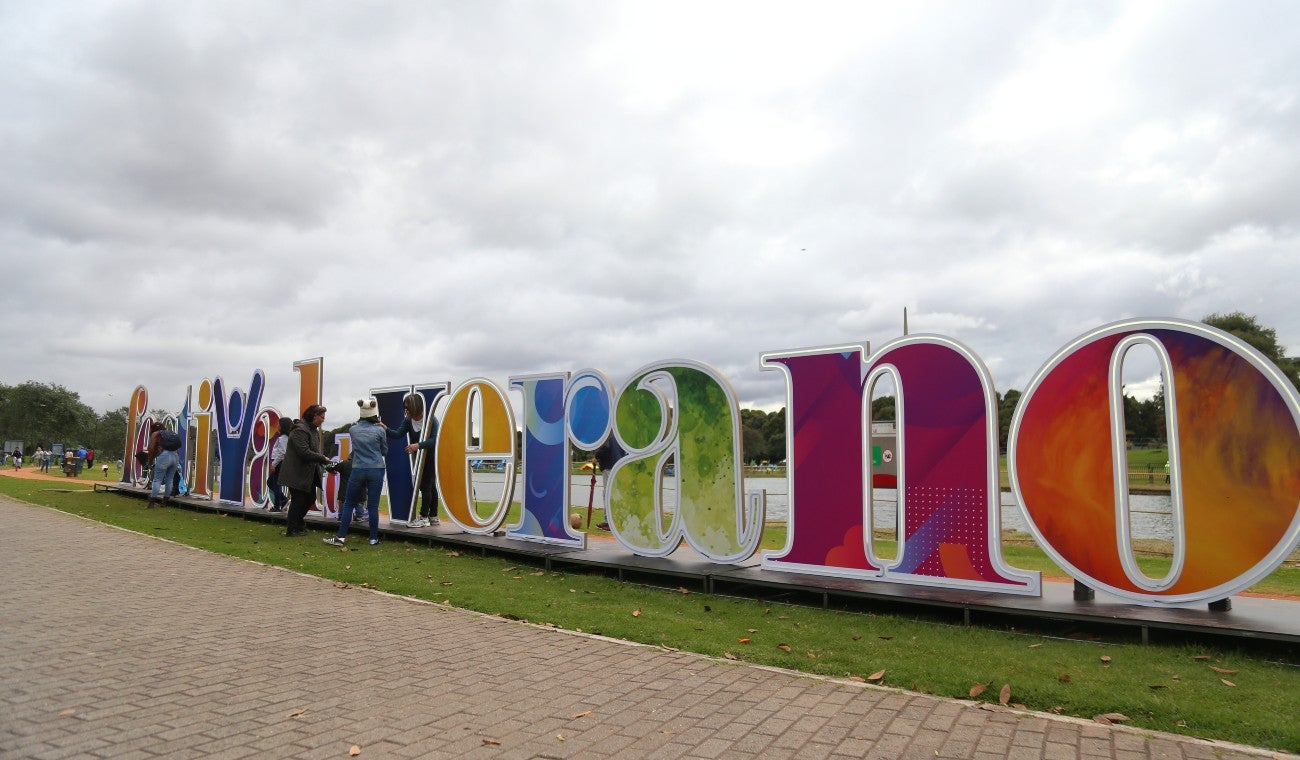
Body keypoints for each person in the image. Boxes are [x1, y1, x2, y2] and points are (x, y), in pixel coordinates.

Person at [325, 399, 387, 547]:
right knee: (373, 506)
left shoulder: (353, 430)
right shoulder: (380, 430)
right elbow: (384, 451)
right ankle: (373, 539)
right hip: (376, 468)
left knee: (348, 503)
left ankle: (341, 537)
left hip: (358, 468)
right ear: (374, 414)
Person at [387, 393, 440, 527]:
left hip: (431, 456)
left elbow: (435, 440)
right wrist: (385, 429)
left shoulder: (431, 420)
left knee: (425, 486)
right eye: (405, 408)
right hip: (419, 457)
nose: (406, 410)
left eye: (408, 407)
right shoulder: (408, 420)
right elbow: (398, 434)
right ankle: (433, 516)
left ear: (416, 406)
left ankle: (423, 517)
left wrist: (418, 445)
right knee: (430, 486)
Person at [279, 404, 331, 537]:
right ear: (314, 416)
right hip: (296, 473)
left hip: (308, 473)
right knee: (298, 500)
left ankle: (298, 523)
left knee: (310, 498)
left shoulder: (313, 431)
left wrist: (328, 466)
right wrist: (323, 458)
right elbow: (304, 452)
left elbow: (314, 453)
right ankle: (292, 529)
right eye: (322, 417)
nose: (323, 420)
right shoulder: (300, 430)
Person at [147, 425, 183, 507]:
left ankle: (152, 502)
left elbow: (151, 448)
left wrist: (150, 462)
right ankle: (165, 502)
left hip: (164, 456)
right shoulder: (171, 434)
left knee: (157, 480)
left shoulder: (156, 434)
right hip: (175, 456)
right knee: (169, 480)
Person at [266, 417, 292, 512]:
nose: (277, 426)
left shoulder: (283, 438)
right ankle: (283, 500)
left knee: (276, 484)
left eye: (279, 424)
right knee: (270, 482)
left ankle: (277, 506)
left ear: (283, 426)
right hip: (278, 462)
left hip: (279, 463)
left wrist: (274, 464)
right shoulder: (283, 438)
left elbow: (282, 453)